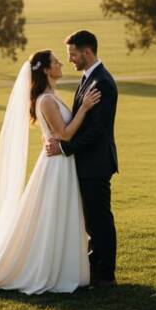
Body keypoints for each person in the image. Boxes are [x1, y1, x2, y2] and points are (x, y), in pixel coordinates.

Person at [0, 48, 101, 294]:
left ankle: (64, 267)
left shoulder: (51, 96)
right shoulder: (46, 101)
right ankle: (48, 269)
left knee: (59, 214)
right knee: (53, 216)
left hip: (62, 160)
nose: (61, 63)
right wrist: (85, 108)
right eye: (56, 61)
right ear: (47, 70)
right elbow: (65, 134)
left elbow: (57, 134)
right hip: (56, 166)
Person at [45, 30, 119, 287]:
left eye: (73, 55)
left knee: (99, 219)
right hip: (87, 163)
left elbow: (96, 130)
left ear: (87, 52)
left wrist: (65, 149)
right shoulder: (90, 78)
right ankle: (94, 265)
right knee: (91, 219)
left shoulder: (103, 83)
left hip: (97, 163)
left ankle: (106, 274)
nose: (71, 60)